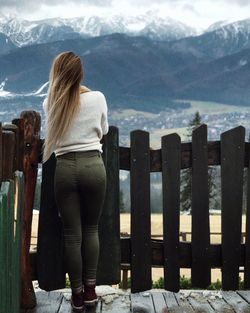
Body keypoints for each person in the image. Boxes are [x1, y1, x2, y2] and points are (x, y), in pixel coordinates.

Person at [42, 51, 109, 312]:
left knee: (72, 234)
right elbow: (103, 131)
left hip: (65, 169)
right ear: (80, 74)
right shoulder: (98, 98)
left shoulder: (51, 103)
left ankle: (77, 295)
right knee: (91, 229)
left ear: (57, 74)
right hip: (93, 165)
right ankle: (92, 291)